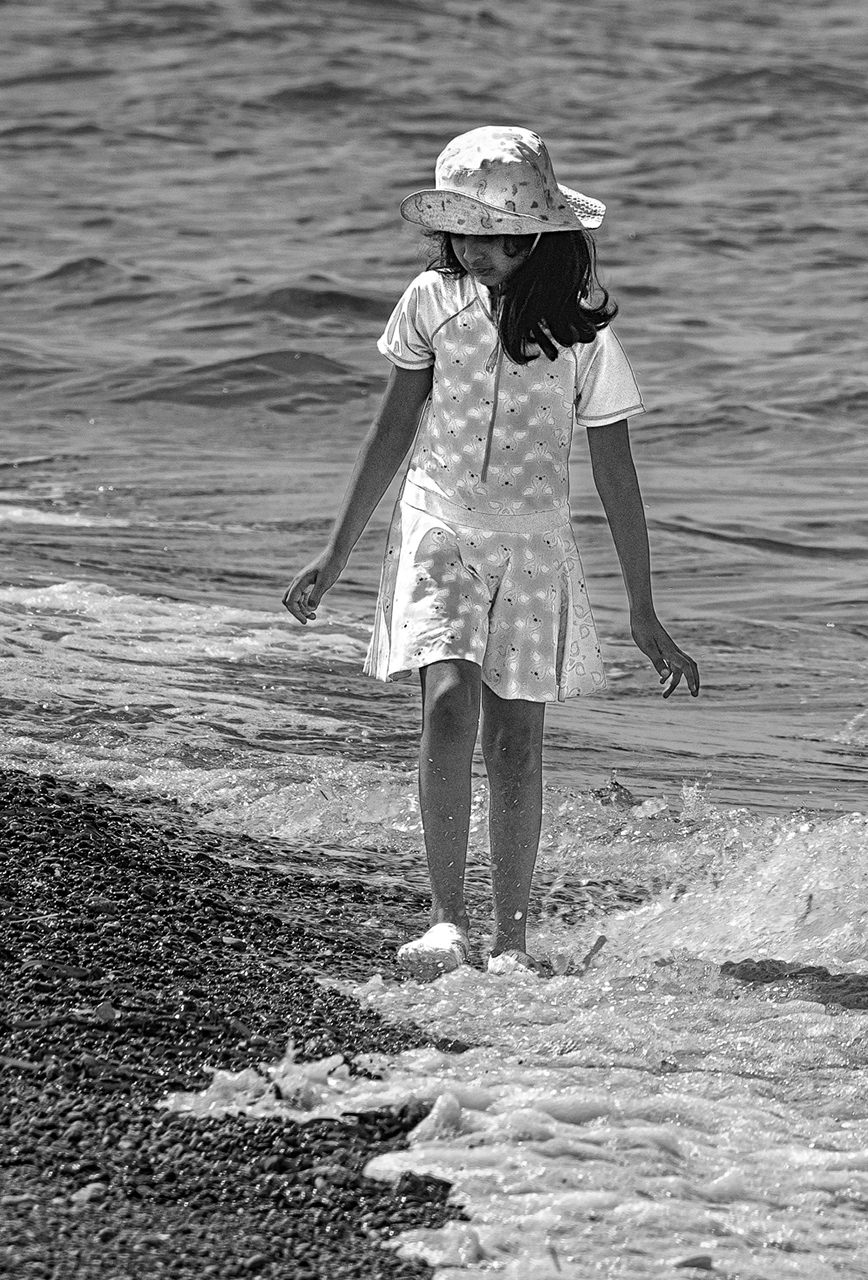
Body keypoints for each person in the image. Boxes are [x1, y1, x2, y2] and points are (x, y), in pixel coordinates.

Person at [282, 125, 698, 979]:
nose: (471, 246)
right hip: (439, 525)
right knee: (444, 703)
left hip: (535, 547)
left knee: (515, 738)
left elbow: (618, 477)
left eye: (489, 230)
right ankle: (446, 918)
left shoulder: (585, 336)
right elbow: (393, 426)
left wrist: (644, 609)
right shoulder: (430, 301)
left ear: (533, 233)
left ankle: (512, 938)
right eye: (459, 229)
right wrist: (335, 556)